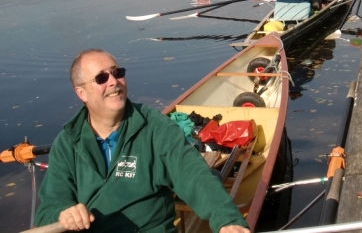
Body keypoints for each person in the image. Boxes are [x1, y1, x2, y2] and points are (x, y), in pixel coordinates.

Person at [34, 49, 250, 233]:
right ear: (81, 93)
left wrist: (227, 220)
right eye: (101, 78)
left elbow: (194, 176)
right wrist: (63, 214)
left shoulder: (156, 129)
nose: (113, 82)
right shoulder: (67, 143)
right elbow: (47, 212)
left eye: (117, 73)